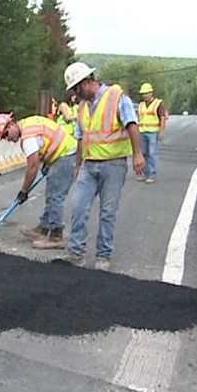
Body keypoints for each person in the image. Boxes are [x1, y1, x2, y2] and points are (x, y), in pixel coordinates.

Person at [58, 62, 145, 271]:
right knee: (78, 206)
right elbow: (81, 137)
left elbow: (131, 124)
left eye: (76, 90)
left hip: (113, 165)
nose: (75, 95)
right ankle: (76, 253)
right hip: (89, 166)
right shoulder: (82, 108)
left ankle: (103, 257)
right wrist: (78, 164)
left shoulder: (116, 97)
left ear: (86, 82)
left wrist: (138, 154)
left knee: (107, 212)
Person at [0, 112, 78, 249]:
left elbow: (32, 167)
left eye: (7, 134)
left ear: (12, 124)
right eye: (4, 137)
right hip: (62, 153)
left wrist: (24, 191)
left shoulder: (27, 138)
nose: (8, 139)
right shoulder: (27, 123)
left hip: (66, 155)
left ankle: (56, 236)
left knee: (55, 196)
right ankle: (44, 228)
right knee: (51, 193)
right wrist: (47, 162)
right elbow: (45, 141)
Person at [137, 82, 168, 183]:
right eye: (143, 93)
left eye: (146, 93)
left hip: (153, 132)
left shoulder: (158, 104)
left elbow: (162, 118)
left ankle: (151, 174)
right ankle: (145, 174)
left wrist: (162, 131)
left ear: (151, 93)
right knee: (144, 153)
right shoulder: (141, 105)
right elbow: (138, 118)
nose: (145, 95)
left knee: (152, 153)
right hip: (142, 131)